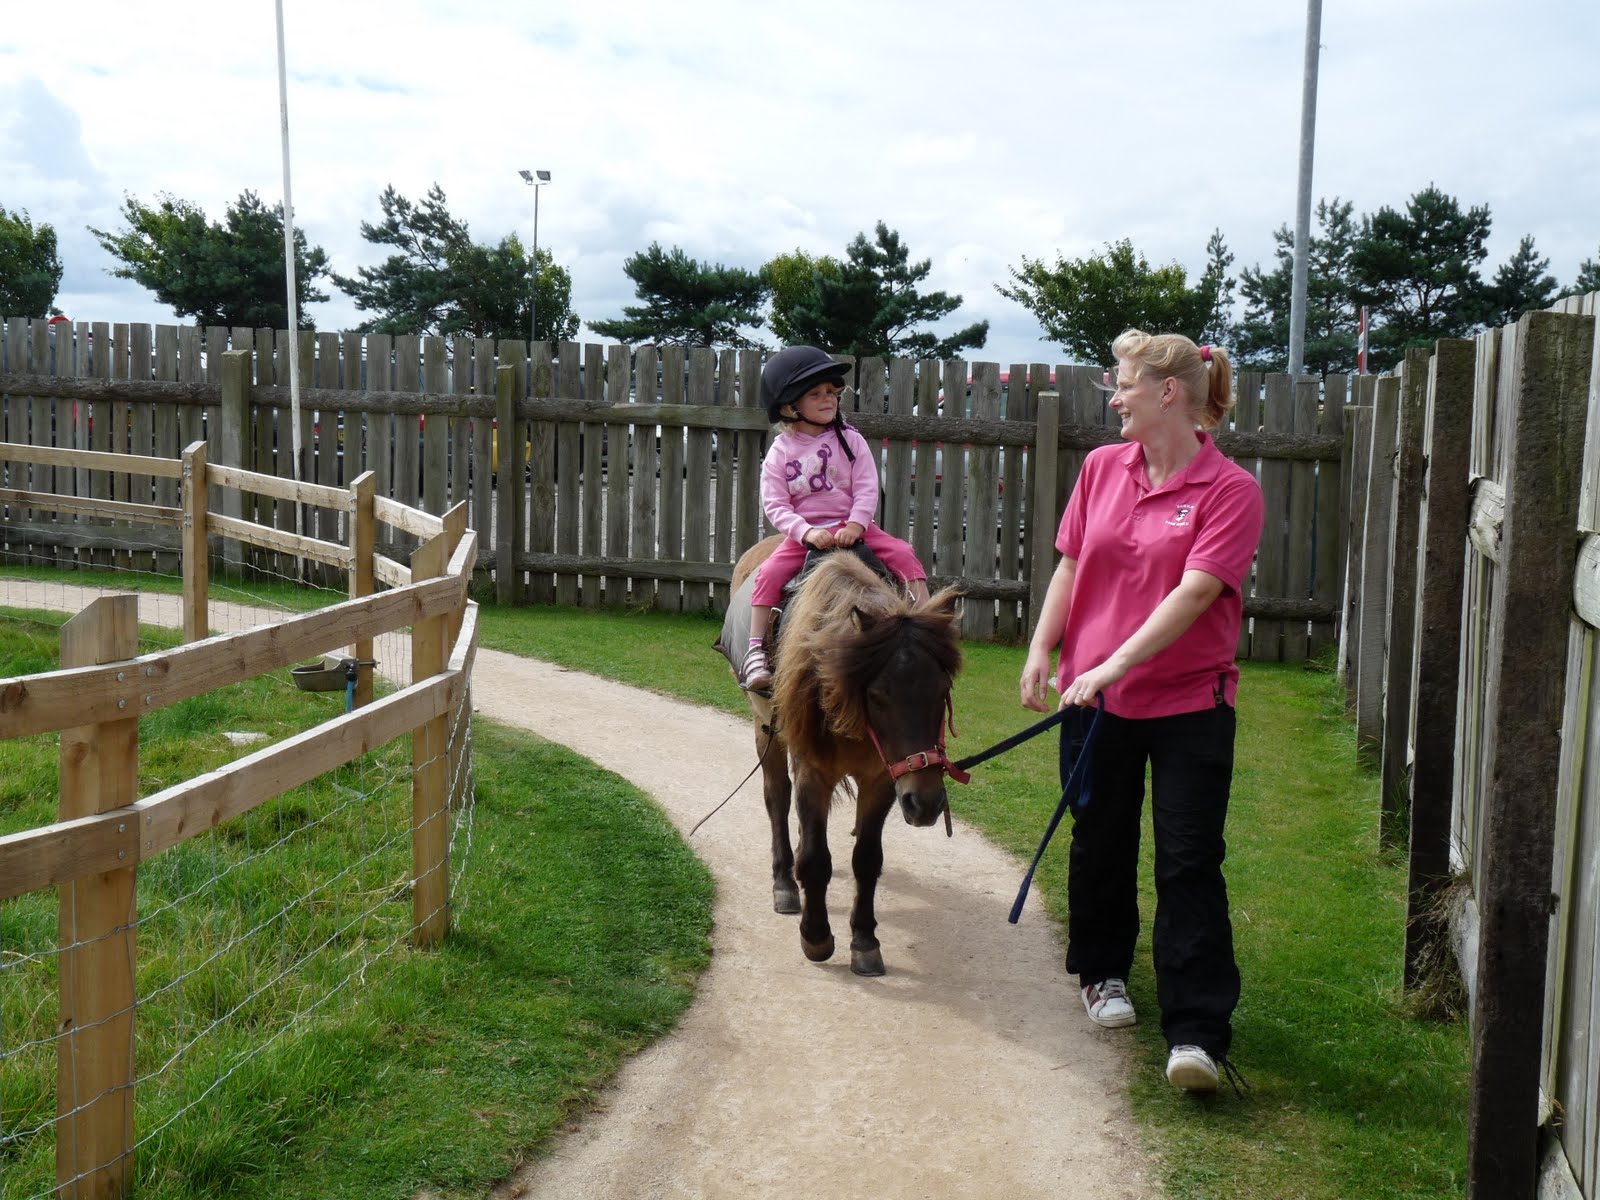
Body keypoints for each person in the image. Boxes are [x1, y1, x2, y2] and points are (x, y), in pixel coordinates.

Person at [1018, 329, 1264, 1093]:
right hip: (1095, 700)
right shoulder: (1102, 468)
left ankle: (1196, 1034)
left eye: (1122, 384)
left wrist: (1113, 664)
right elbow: (1070, 564)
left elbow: (1195, 593)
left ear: (1168, 393)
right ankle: (1103, 974)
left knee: (1189, 859)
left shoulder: (1231, 490)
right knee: (1100, 838)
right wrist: (1042, 649)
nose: (1114, 398)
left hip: (1191, 703)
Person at [741, 345, 931, 690]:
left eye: (831, 391)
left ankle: (927, 624)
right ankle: (756, 649)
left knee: (903, 553)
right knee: (767, 574)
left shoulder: (851, 440)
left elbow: (867, 487)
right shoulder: (780, 452)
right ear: (789, 407)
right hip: (807, 536)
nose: (828, 398)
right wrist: (805, 532)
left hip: (855, 528)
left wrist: (856, 524)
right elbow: (775, 504)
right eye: (815, 394)